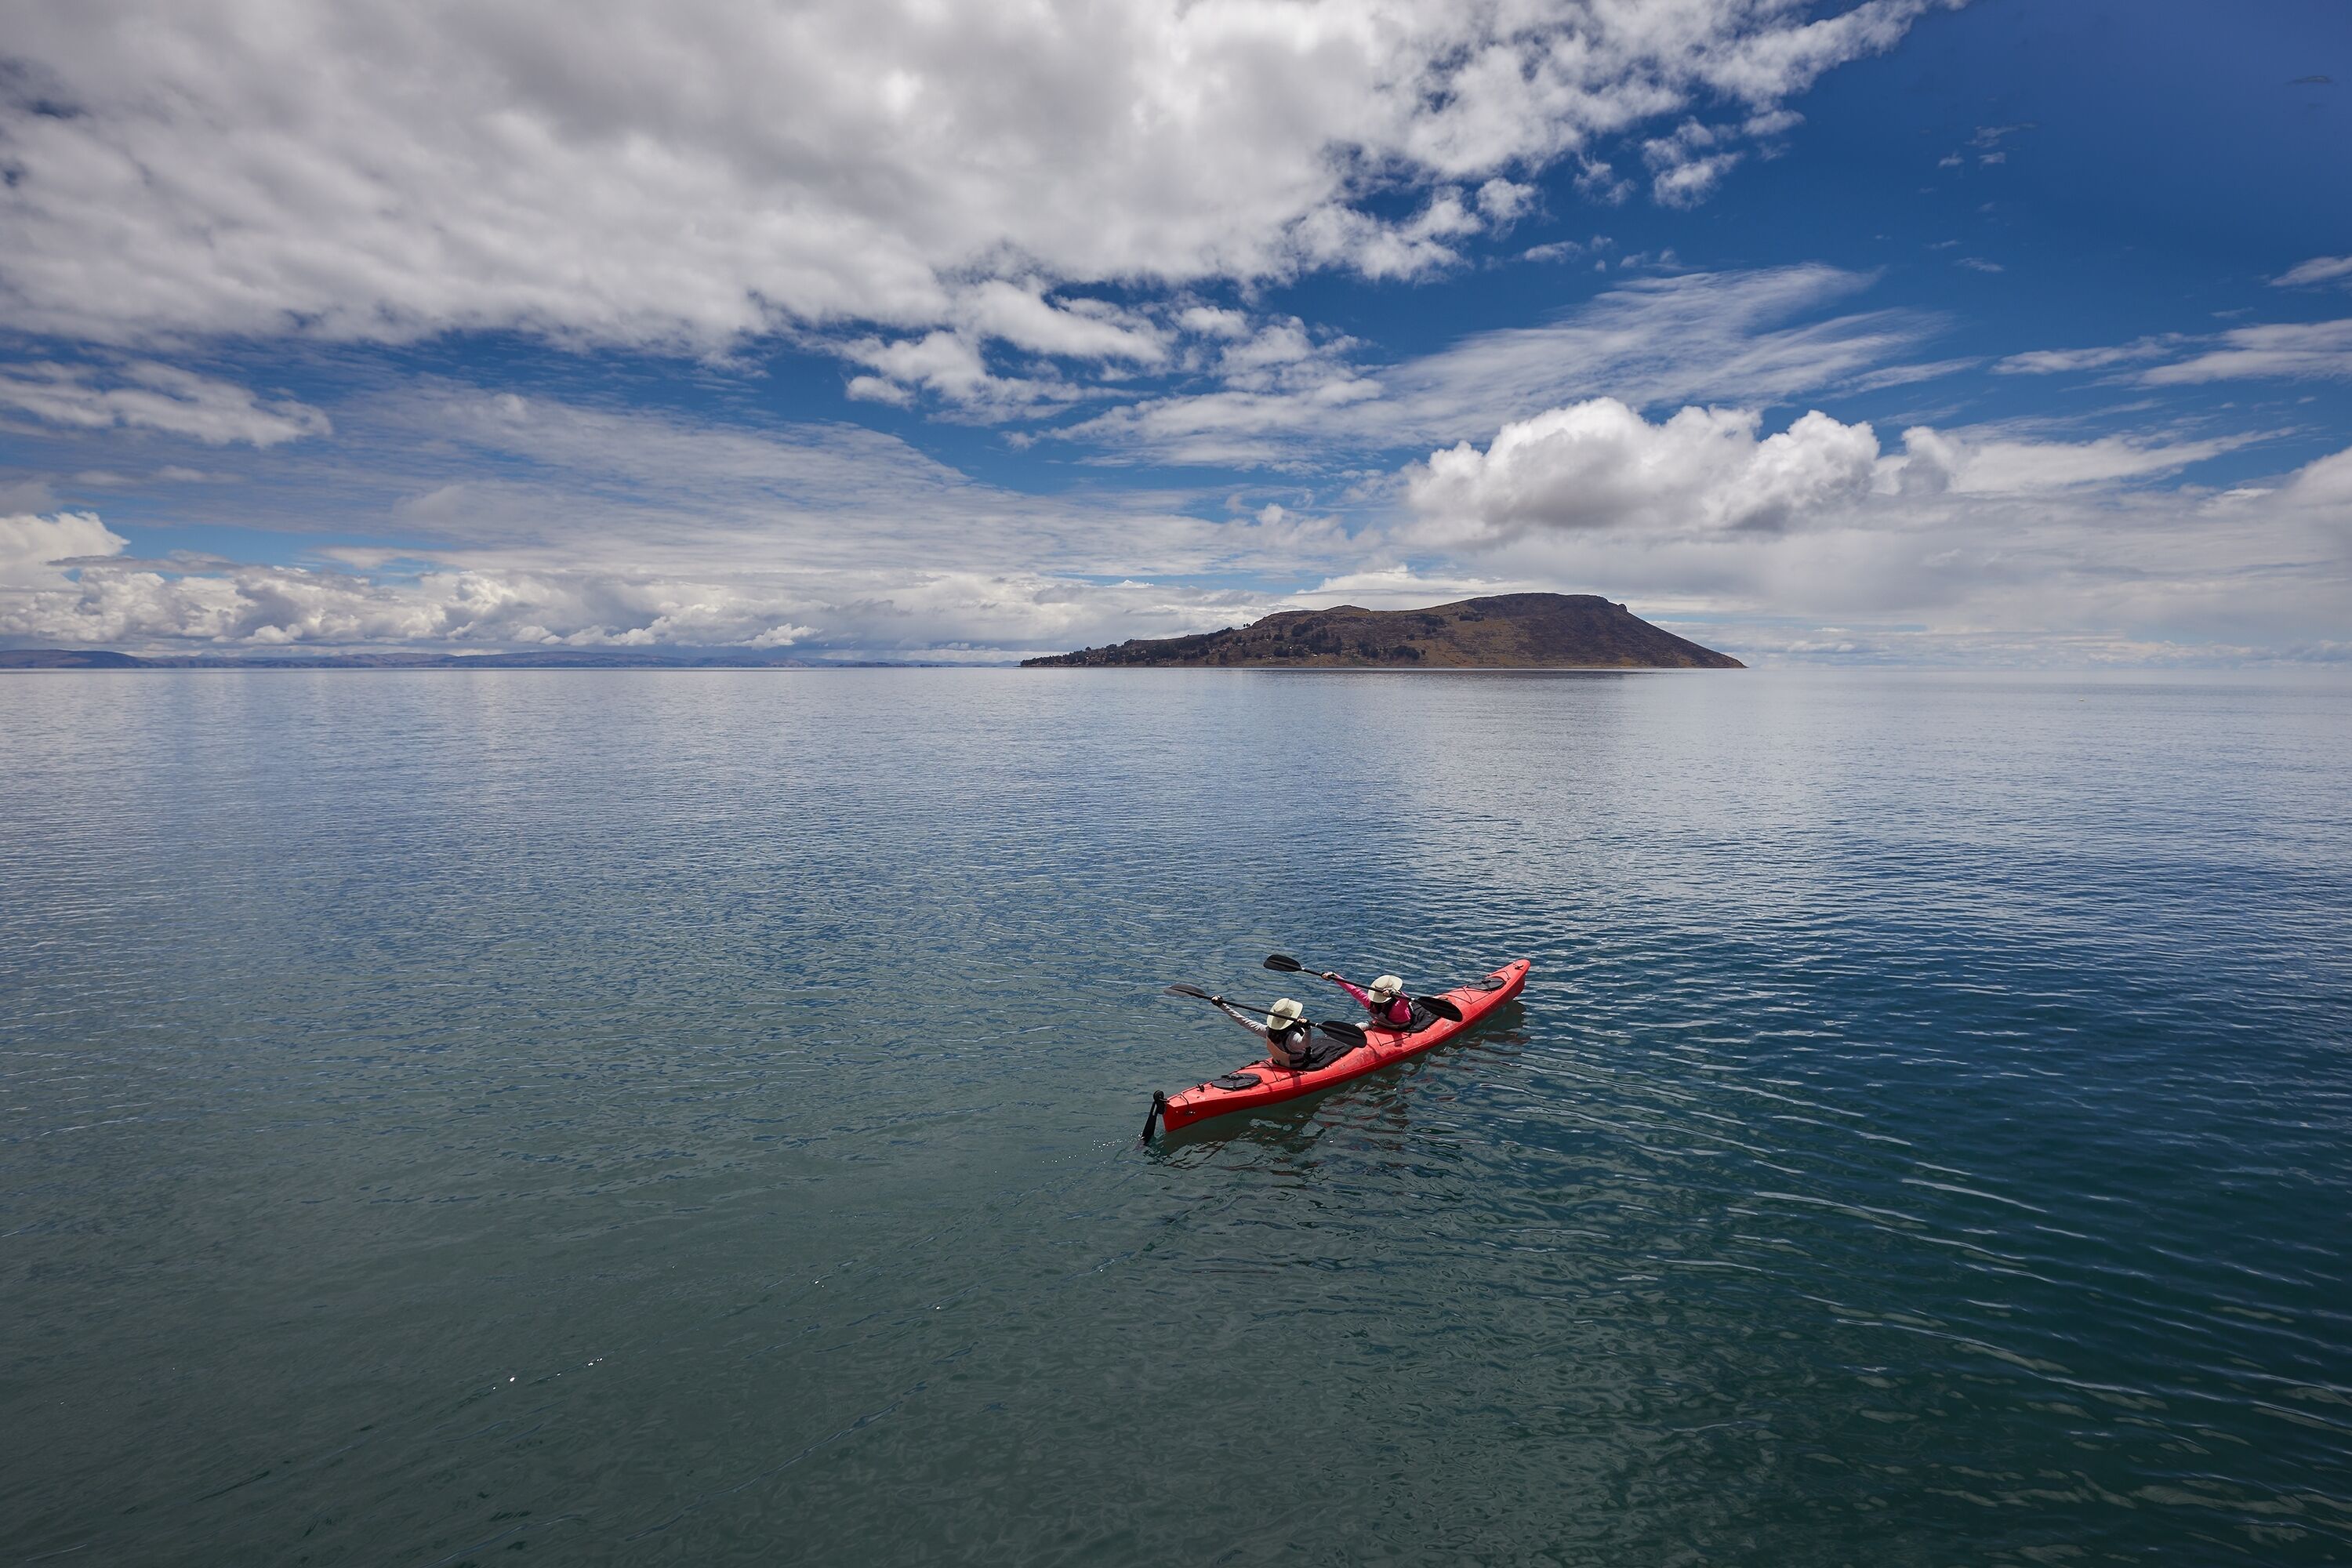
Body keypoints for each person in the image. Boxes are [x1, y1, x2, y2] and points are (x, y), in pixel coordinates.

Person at [1211, 995, 1316, 1069]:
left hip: (1278, 1062)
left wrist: (1222, 1005)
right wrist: (1307, 1029)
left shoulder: (1267, 1031)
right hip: (1298, 1066)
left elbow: (1243, 1021)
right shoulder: (1293, 1037)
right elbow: (1305, 1044)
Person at [1323, 970, 1415, 1029]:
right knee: (1409, 1005)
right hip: (1397, 1025)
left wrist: (1334, 976)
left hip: (1383, 1023)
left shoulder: (1369, 1002)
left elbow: (1353, 990)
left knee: (1360, 1026)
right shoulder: (1397, 1007)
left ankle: (1366, 1026)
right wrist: (1397, 993)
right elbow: (1405, 1000)